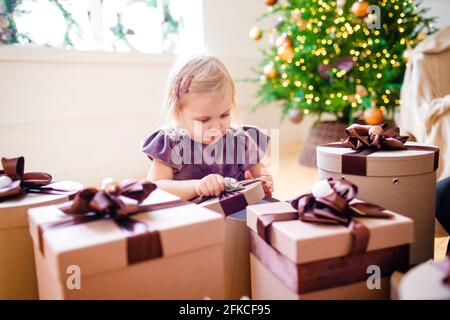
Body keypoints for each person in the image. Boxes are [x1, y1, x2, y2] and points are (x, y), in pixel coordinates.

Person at [141, 55, 273, 201]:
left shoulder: (239, 141)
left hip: (237, 212)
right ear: (177, 112)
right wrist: (196, 186)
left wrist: (263, 183)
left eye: (224, 115)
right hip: (195, 217)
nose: (216, 127)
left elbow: (263, 174)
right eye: (203, 120)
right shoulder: (172, 143)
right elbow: (155, 188)